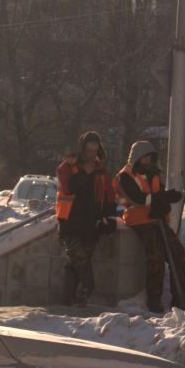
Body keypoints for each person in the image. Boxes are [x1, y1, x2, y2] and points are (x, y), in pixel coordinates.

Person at [116, 140, 185, 314]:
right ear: (136, 158)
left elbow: (158, 193)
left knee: (177, 252)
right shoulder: (125, 176)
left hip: (157, 220)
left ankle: (181, 297)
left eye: (150, 157)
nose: (147, 161)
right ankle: (154, 300)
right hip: (139, 220)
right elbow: (137, 198)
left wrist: (167, 197)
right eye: (144, 157)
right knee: (156, 254)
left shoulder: (153, 174)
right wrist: (160, 199)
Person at [55, 131, 117, 306]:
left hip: (91, 224)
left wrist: (110, 217)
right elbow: (68, 188)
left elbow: (109, 195)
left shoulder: (100, 169)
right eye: (88, 151)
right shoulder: (67, 167)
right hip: (69, 223)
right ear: (81, 149)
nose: (91, 155)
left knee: (75, 263)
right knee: (79, 259)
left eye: (95, 151)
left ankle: (69, 299)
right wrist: (84, 173)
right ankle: (88, 287)